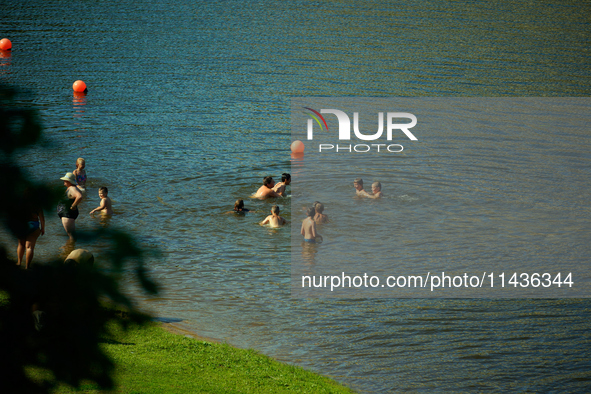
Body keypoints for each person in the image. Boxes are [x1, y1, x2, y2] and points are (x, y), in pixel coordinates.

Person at [16, 191, 45, 269]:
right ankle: (27, 267)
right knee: (29, 247)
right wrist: (42, 229)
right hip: (33, 225)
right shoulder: (37, 206)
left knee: (21, 244)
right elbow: (42, 219)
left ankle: (19, 263)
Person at [58, 172, 83, 239]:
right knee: (71, 234)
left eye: (65, 180)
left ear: (69, 181)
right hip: (68, 213)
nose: (64, 181)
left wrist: (73, 206)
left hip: (67, 214)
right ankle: (70, 247)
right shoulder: (72, 187)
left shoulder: (72, 188)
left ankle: (70, 247)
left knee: (71, 235)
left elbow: (79, 196)